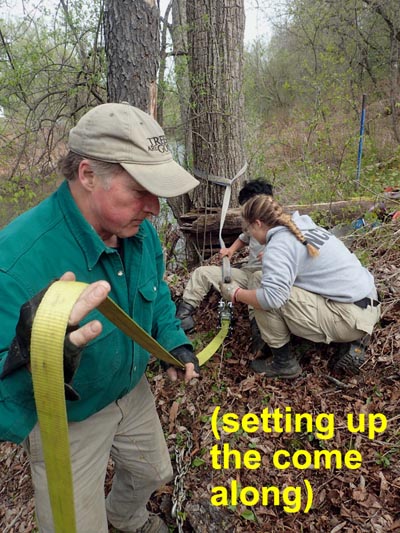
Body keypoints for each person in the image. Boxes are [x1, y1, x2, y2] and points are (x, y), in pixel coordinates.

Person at [0, 102, 201, 533]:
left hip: (131, 391)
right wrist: (32, 352)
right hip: (68, 420)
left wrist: (172, 343)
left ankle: (126, 519)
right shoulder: (16, 260)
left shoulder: (140, 232)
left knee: (153, 473)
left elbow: (157, 293)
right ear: (88, 175)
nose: (154, 208)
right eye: (140, 190)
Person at [220, 195, 381, 379]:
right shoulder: (302, 225)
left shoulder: (279, 247)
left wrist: (236, 293)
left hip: (351, 319)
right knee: (259, 277)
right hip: (369, 301)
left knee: (263, 292)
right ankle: (350, 339)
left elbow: (271, 299)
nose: (251, 236)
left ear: (257, 223)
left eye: (249, 230)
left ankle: (283, 362)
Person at [176, 178, 273, 353]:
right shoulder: (253, 224)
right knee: (203, 273)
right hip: (247, 273)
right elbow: (244, 237)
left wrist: (276, 252)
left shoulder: (283, 225)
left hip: (268, 278)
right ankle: (183, 317)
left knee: (257, 281)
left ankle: (259, 337)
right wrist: (231, 250)